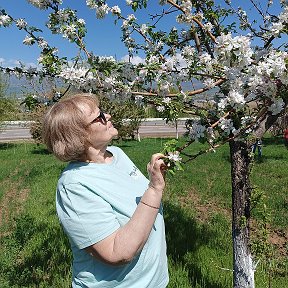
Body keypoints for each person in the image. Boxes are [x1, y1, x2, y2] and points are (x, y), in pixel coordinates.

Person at [42, 93, 169, 288]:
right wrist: (154, 189)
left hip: (154, 282)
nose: (108, 116)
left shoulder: (116, 154)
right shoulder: (74, 185)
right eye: (99, 116)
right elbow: (117, 252)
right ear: (80, 136)